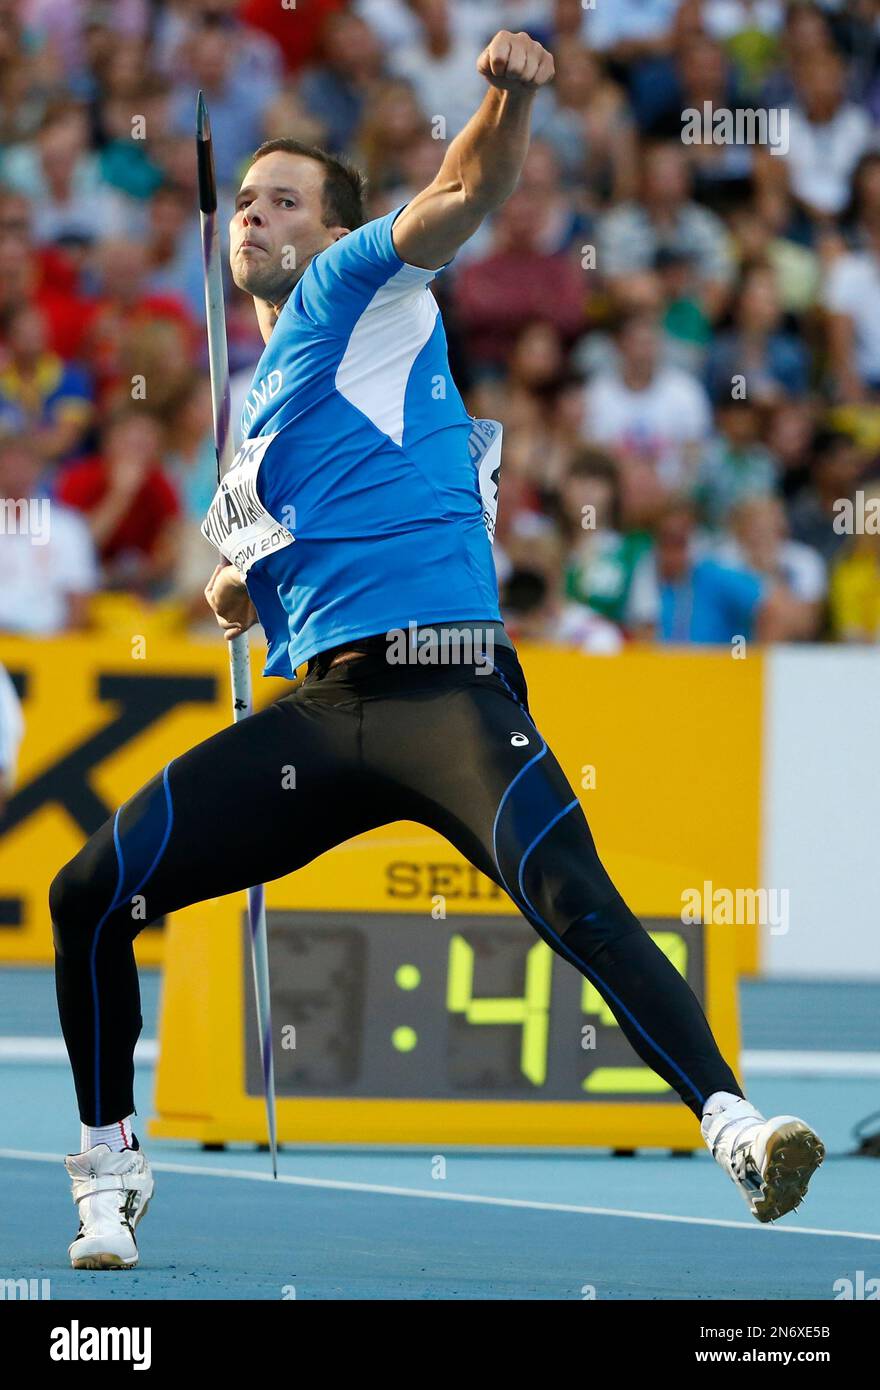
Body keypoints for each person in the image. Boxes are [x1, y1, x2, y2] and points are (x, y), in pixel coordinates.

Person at [49, 29, 823, 1272]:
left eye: (282, 198)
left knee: (577, 902)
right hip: (323, 715)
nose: (253, 213)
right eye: (243, 199)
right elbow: (256, 580)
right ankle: (111, 1175)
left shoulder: (359, 285)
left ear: (336, 224)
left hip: (450, 693)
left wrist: (504, 96)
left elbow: (468, 190)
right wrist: (243, 591)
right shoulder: (254, 418)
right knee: (89, 893)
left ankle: (734, 1126)